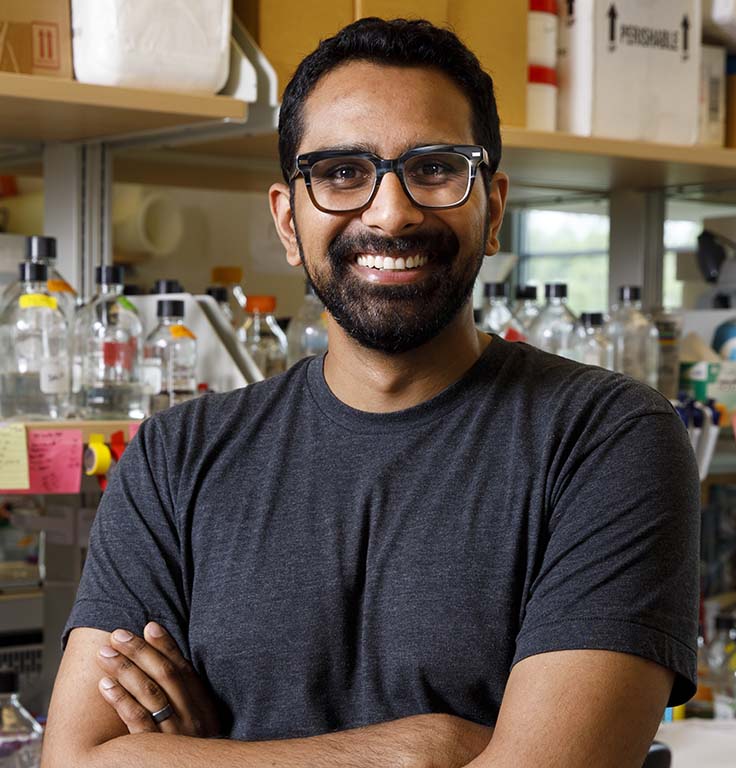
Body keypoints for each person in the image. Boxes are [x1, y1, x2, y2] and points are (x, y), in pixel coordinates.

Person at [41, 17, 700, 768]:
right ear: (290, 221)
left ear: (493, 209)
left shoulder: (606, 437)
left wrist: (206, 758)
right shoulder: (176, 458)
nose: (391, 212)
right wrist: (421, 748)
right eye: (342, 172)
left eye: (437, 167)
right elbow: (80, 760)